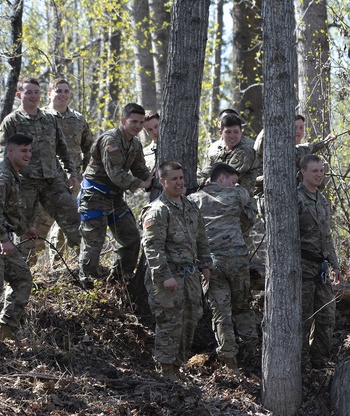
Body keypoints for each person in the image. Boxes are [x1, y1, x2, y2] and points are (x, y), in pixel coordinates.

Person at [139, 161, 212, 380]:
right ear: (162, 182)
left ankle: (177, 366)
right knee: (170, 323)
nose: (179, 182)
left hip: (190, 276)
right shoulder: (157, 211)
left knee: (190, 320)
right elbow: (152, 248)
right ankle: (166, 370)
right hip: (168, 277)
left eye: (181, 178)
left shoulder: (189, 206)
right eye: (174, 179)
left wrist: (205, 264)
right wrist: (165, 277)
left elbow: (201, 238)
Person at [0, 77, 81, 264]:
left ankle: (85, 269)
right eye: (29, 92)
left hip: (51, 181)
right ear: (19, 95)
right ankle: (25, 276)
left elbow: (62, 148)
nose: (33, 96)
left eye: (36, 92)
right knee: (26, 231)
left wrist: (72, 172)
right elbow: (3, 153)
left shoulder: (49, 119)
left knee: (74, 220)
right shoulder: (11, 121)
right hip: (24, 183)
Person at [188, 162, 259, 370]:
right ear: (221, 178)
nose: (235, 185)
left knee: (221, 312)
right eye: (233, 181)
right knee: (243, 307)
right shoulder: (238, 195)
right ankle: (252, 351)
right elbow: (250, 217)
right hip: (236, 257)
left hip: (211, 262)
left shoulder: (194, 200)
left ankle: (230, 362)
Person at [77, 102, 154, 286]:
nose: (137, 126)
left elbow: (139, 168)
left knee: (131, 238)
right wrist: (140, 184)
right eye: (133, 121)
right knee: (94, 243)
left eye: (140, 122)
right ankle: (86, 284)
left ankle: (119, 281)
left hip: (115, 197)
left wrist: (155, 180)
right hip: (95, 195)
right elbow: (115, 173)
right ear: (123, 120)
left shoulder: (135, 143)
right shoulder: (110, 140)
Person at [40, 77, 94, 267]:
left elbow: (90, 148)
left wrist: (84, 173)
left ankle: (61, 267)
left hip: (73, 181)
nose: (62, 95)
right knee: (39, 227)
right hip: (46, 181)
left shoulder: (78, 120)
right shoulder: (41, 118)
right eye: (58, 91)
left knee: (68, 226)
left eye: (66, 91)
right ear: (49, 94)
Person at [298, 154, 341, 369]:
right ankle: (303, 363)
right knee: (304, 319)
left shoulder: (322, 200)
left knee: (327, 317)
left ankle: (319, 362)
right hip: (302, 267)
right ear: (303, 171)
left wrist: (335, 264)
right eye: (314, 171)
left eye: (322, 171)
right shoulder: (295, 198)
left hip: (321, 267)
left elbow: (327, 235)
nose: (319, 175)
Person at [0, 134, 36, 342]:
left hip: (5, 240)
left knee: (22, 278)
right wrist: (3, 238)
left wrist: (25, 228)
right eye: (23, 151)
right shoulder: (3, 176)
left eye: (30, 150)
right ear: (10, 151)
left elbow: (9, 210)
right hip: (2, 240)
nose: (28, 155)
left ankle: (5, 330)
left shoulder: (12, 174)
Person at [198, 112, 260, 194]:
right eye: (228, 132)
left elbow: (223, 179)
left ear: (241, 133)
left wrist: (207, 182)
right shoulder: (216, 150)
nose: (232, 136)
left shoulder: (246, 151)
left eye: (236, 132)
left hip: (239, 201)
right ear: (221, 133)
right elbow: (205, 174)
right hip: (217, 197)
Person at [142, 110, 161, 202]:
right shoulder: (144, 154)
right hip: (156, 200)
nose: (155, 132)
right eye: (150, 129)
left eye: (156, 126)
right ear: (146, 132)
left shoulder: (177, 147)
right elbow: (143, 184)